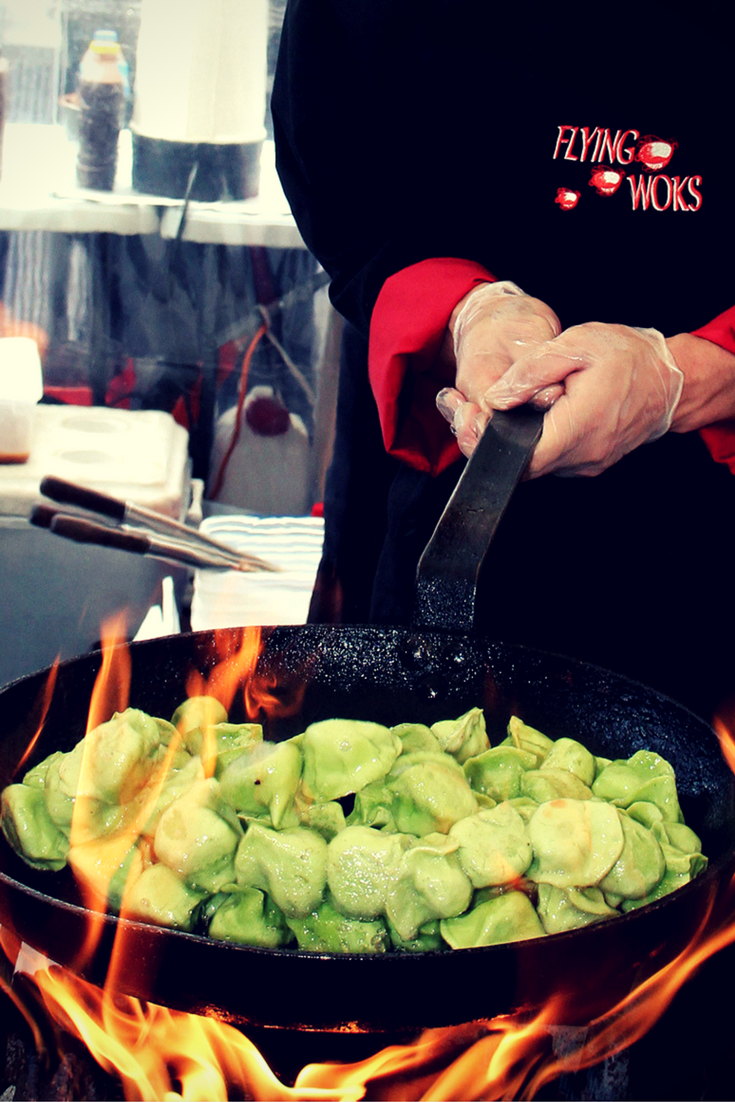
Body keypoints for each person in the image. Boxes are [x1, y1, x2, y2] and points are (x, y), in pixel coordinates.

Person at [272, 0, 735, 720]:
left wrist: (685, 376)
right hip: (434, 478)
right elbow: (338, 156)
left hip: (704, 538)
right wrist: (463, 308)